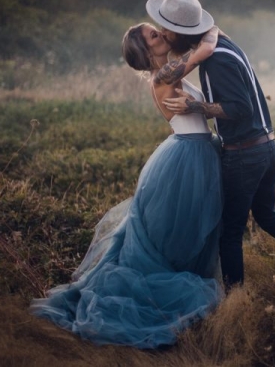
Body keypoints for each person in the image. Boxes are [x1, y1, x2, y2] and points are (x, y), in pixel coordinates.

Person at [30, 18, 224, 349]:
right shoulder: (163, 75)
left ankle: (176, 293)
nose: (161, 34)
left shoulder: (171, 72)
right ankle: (161, 303)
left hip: (197, 153)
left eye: (157, 31)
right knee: (176, 234)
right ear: (146, 51)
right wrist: (209, 24)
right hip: (186, 160)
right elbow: (206, 47)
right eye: (153, 34)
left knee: (190, 231)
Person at [146, 0, 275, 291]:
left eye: (166, 29)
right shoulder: (225, 46)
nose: (164, 33)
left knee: (230, 233)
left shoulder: (216, 61)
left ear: (180, 33)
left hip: (246, 155)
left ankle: (235, 301)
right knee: (268, 217)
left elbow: (240, 108)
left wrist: (196, 107)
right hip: (266, 148)